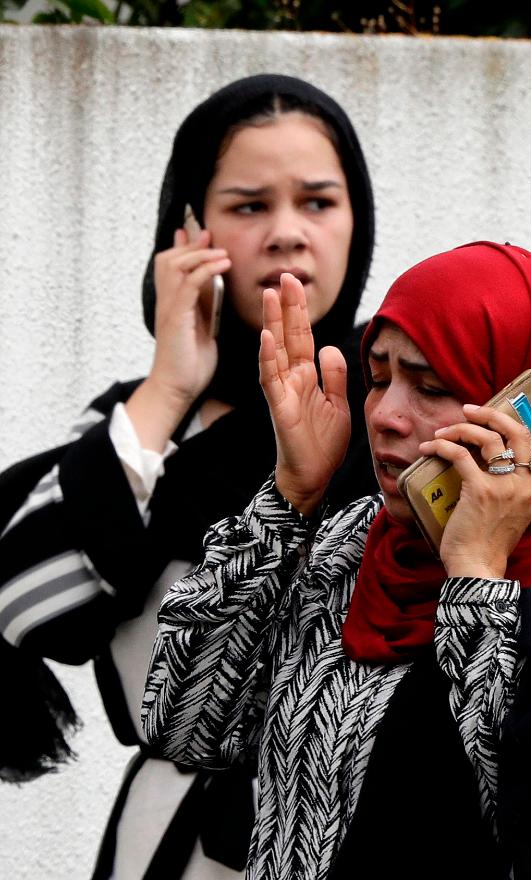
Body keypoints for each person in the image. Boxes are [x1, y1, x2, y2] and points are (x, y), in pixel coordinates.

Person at [142, 241, 531, 879]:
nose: (387, 415)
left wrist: (479, 575)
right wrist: (292, 498)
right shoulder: (353, 546)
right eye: (378, 379)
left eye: (430, 386)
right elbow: (184, 721)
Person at [0, 74, 377, 878]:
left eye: (318, 201)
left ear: (359, 221)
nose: (287, 233)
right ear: (188, 231)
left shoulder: (397, 412)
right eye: (248, 206)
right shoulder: (141, 429)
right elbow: (31, 606)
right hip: (169, 849)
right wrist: (169, 386)